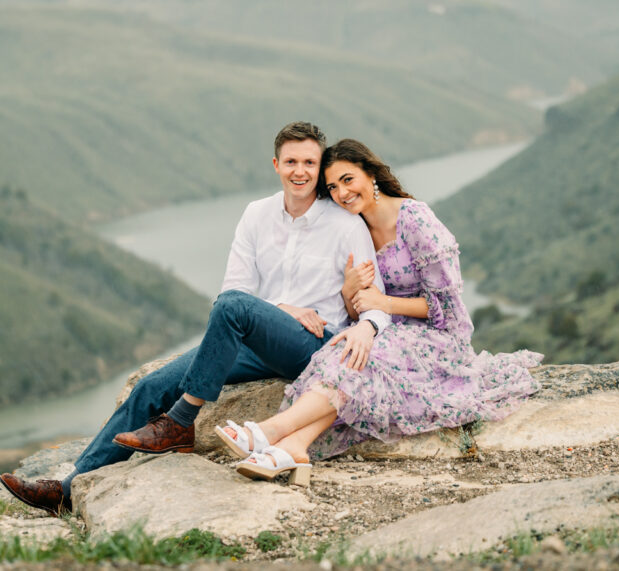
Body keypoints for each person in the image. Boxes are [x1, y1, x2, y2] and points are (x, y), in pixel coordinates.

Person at [0, 123, 391, 513]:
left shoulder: (343, 224)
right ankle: (67, 491)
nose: (300, 171)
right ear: (276, 164)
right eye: (291, 161)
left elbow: (376, 302)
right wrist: (283, 309)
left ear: (320, 166)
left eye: (309, 162)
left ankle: (181, 421)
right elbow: (231, 291)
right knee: (152, 386)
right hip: (258, 340)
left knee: (234, 309)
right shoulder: (257, 214)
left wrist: (368, 328)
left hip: (313, 345)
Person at [217, 139, 542, 484]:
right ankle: (295, 448)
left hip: (437, 336)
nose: (341, 193)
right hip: (386, 331)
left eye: (347, 179)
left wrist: (383, 304)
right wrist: (349, 292)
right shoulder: (355, 230)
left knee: (362, 359)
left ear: (370, 173)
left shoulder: (416, 220)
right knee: (346, 354)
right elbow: (358, 311)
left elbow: (448, 310)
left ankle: (270, 431)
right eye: (332, 187)